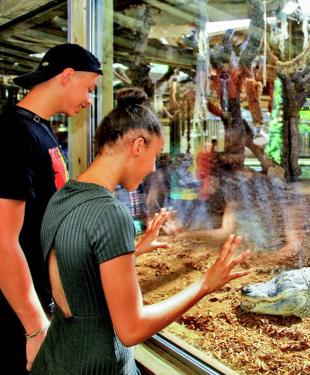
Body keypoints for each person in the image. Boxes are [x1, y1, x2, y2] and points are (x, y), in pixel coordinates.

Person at [31, 88, 251, 374]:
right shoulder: (110, 212)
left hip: (56, 358)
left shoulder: (64, 195)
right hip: (98, 365)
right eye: (155, 156)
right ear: (137, 146)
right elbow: (131, 329)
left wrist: (131, 252)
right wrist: (206, 284)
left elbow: (76, 277)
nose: (152, 168)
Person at [0, 43, 103, 374]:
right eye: (89, 89)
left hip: (41, 298)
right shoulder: (12, 133)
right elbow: (2, 241)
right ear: (67, 76)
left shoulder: (39, 128)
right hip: (15, 313)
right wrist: (34, 327)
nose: (89, 100)